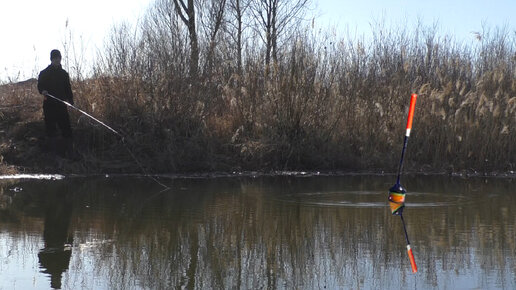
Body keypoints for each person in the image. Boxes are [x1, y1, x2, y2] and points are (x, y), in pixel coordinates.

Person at [37, 49, 74, 156]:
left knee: (66, 127)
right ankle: (52, 154)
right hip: (49, 105)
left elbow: (68, 89)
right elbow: (40, 86)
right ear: (51, 59)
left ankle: (70, 151)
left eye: (59, 58)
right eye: (55, 58)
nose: (57, 60)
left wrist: (71, 101)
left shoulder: (64, 74)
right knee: (50, 128)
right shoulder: (44, 73)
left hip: (62, 105)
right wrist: (42, 91)